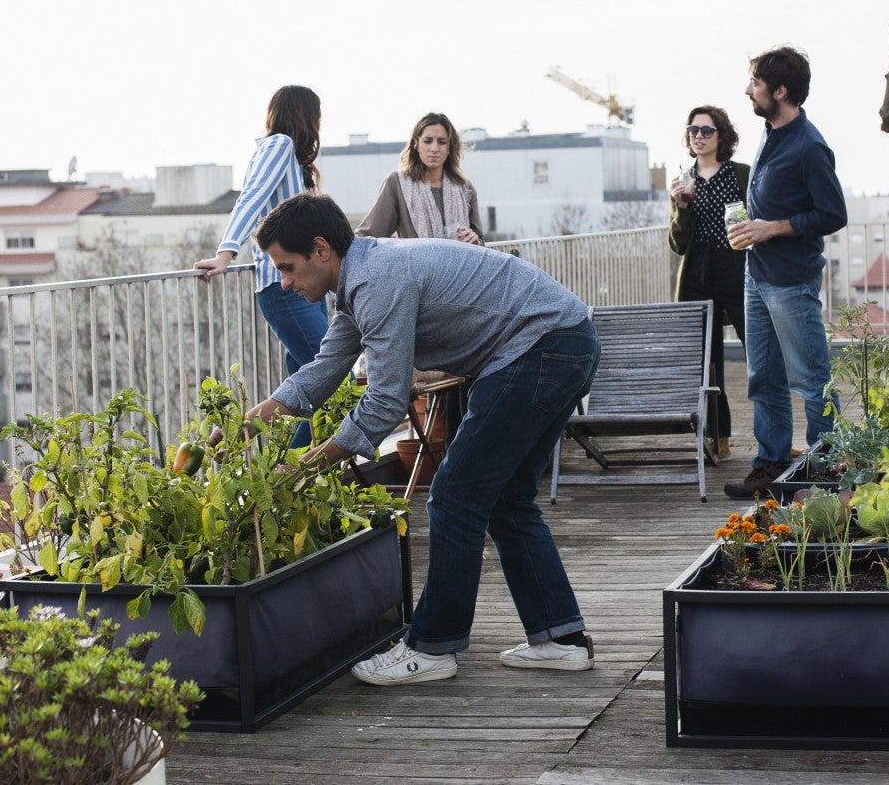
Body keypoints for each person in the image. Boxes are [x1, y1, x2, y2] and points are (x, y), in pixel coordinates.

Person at [245, 191, 600, 686]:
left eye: (287, 267)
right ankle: (561, 640)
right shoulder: (359, 282)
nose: (283, 283)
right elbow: (321, 371)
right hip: (563, 340)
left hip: (540, 349)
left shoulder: (376, 281)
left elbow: (385, 403)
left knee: (454, 497)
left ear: (321, 250)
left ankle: (432, 647)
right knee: (507, 499)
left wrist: (304, 467)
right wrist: (248, 423)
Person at [724, 47, 847, 500]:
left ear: (780, 91)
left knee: (811, 379)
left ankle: (828, 469)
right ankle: (770, 465)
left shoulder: (809, 145)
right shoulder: (770, 134)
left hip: (791, 281)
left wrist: (773, 227)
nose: (748, 90)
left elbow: (833, 214)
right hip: (756, 275)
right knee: (763, 378)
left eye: (755, 83)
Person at [194, 85, 328, 450]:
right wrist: (226, 252)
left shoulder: (293, 161)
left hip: (306, 289)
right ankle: (289, 467)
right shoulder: (278, 146)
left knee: (307, 390)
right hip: (284, 290)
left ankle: (286, 476)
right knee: (330, 379)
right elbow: (251, 197)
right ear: (306, 117)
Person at [667, 105, 749, 462]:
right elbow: (678, 244)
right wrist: (681, 206)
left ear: (722, 136)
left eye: (706, 130)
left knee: (760, 353)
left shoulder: (742, 174)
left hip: (739, 268)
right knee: (709, 361)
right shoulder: (684, 180)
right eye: (693, 130)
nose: (698, 136)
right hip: (699, 274)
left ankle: (774, 438)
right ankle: (720, 437)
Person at [357, 112, 485, 244]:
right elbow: (368, 235)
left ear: (449, 148)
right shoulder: (397, 183)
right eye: (427, 141)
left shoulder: (465, 188)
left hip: (461, 264)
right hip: (414, 265)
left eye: (442, 142)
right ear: (416, 144)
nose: (434, 148)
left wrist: (475, 241)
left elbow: (480, 240)